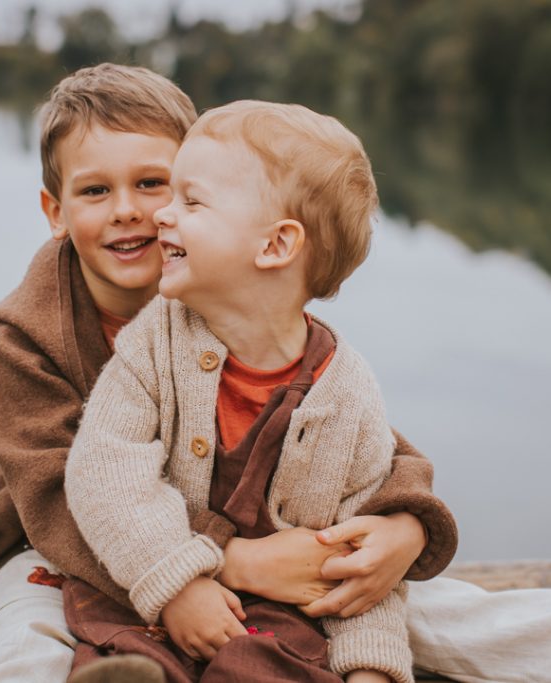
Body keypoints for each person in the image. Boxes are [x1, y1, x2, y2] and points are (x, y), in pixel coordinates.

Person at [0, 64, 458, 682]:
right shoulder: (26, 339)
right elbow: (59, 496)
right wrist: (229, 562)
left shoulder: (226, 300)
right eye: (95, 191)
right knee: (28, 636)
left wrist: (404, 532)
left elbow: (361, 442)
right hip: (52, 547)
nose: (131, 211)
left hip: (219, 552)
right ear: (56, 210)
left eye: (158, 185)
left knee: (414, 613)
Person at [63, 100, 412, 682]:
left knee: (271, 664)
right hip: (149, 594)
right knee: (123, 654)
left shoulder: (347, 396)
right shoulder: (152, 341)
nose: (161, 218)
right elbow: (104, 474)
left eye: (190, 202)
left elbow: (357, 568)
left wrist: (371, 670)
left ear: (275, 246)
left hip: (277, 619)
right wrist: (176, 582)